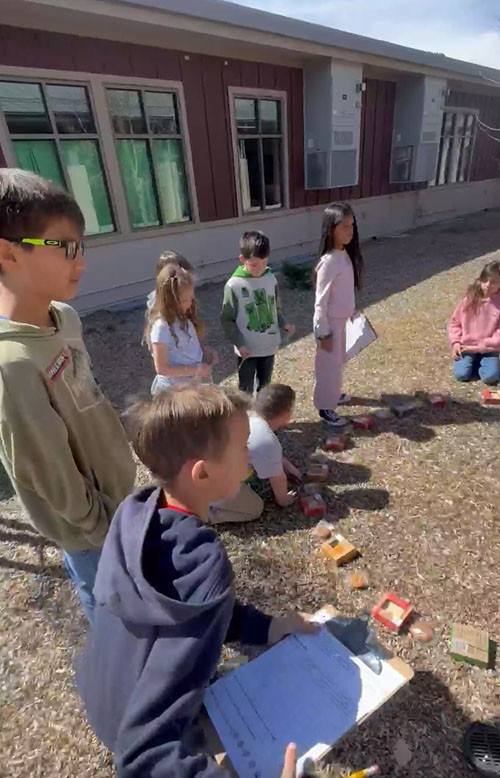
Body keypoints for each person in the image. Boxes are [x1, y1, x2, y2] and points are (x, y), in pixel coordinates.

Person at [78, 385, 316, 777]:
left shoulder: (138, 514)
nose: (251, 458)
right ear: (202, 471)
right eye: (243, 448)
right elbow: (144, 757)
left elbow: (198, 610)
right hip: (140, 734)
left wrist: (270, 626)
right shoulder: (204, 562)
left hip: (104, 695)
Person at [0, 168, 136, 623]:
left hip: (116, 506)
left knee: (135, 602)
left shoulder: (66, 318)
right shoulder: (12, 363)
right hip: (90, 532)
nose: (80, 261)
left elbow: (85, 394)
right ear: (8, 253)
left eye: (83, 246)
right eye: (65, 248)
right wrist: (101, 527)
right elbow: (48, 472)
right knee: (115, 620)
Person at [220, 230, 294, 394]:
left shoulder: (270, 278)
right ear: (242, 259)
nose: (259, 268)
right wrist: (239, 343)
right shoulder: (234, 285)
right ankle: (246, 418)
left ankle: (262, 417)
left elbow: (275, 308)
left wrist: (283, 323)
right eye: (254, 264)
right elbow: (227, 319)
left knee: (265, 387)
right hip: (247, 350)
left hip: (269, 346)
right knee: (245, 390)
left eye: (263, 262)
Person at [313, 202, 364, 429]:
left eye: (351, 225)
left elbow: (343, 290)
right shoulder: (329, 261)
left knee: (338, 362)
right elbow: (320, 301)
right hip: (330, 325)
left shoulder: (344, 255)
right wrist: (322, 333)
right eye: (343, 226)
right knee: (328, 366)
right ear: (331, 228)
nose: (349, 230)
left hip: (342, 320)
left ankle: (334, 394)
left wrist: (351, 311)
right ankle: (325, 407)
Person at [145, 263, 217, 395]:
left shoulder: (183, 316)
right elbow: (162, 369)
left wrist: (204, 351)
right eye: (184, 300)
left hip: (193, 383)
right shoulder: (161, 327)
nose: (190, 303)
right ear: (169, 301)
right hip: (177, 391)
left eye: (191, 298)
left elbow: (186, 345)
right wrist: (196, 369)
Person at [248, 383, 301, 508]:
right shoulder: (267, 440)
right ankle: (210, 510)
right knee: (254, 508)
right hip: (216, 481)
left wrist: (286, 465)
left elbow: (264, 452)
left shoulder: (249, 416)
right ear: (286, 414)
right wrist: (283, 499)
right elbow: (277, 478)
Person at [449, 260, 500, 385]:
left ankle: (482, 360)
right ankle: (475, 360)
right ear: (481, 279)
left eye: (494, 282)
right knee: (461, 375)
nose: (488, 285)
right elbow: (455, 323)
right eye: (486, 280)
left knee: (490, 378)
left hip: (489, 348)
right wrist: (455, 342)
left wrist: (483, 346)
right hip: (467, 346)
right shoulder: (470, 298)